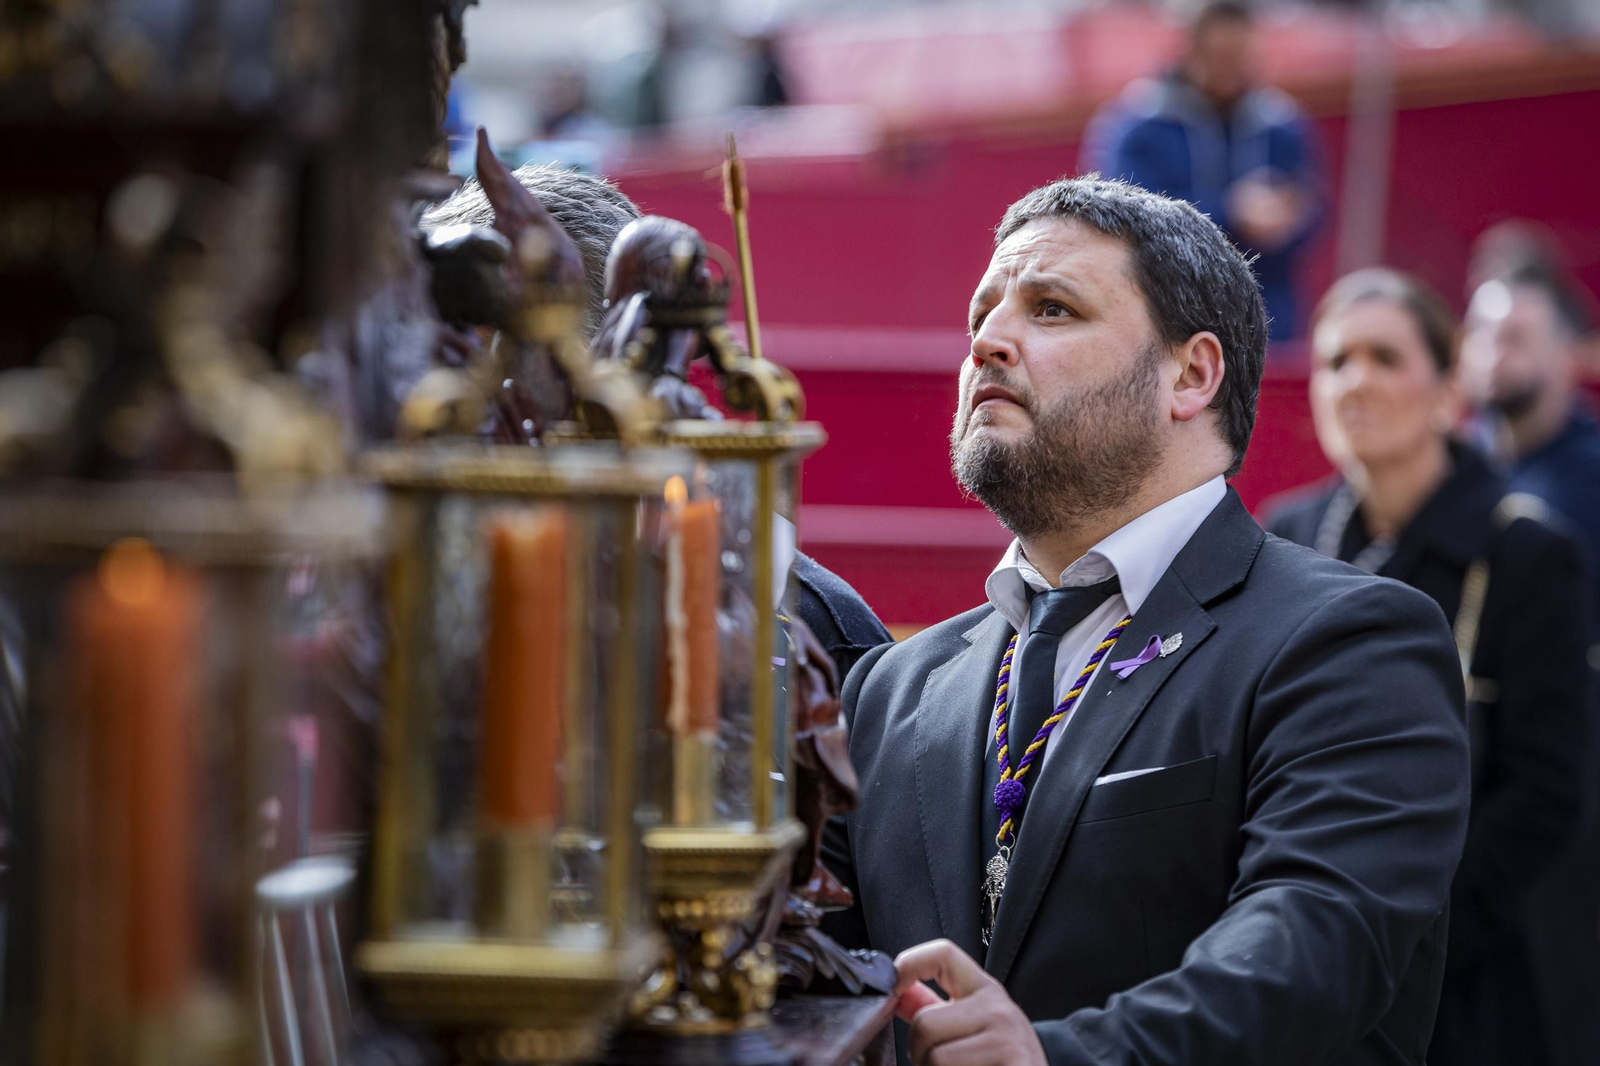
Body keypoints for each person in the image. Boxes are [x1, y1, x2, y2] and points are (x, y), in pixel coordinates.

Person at [821, 176, 1469, 1066]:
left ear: (1191, 375)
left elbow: (1309, 954)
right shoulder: (891, 686)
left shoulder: (1350, 643)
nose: (987, 340)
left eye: (1051, 309)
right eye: (982, 313)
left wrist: (1051, 1058)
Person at [1263, 268, 1591, 1066]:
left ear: (1448, 389)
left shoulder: (1528, 553)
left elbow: (1547, 793)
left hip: (1465, 979)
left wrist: (1409, 927)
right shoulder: (1282, 537)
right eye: (1336, 361)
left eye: (1385, 357)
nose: (1355, 381)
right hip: (1296, 956)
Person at [1461, 254, 1600, 1066]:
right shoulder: (1455, 468)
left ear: (1571, 352)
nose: (1491, 351)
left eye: (1515, 335)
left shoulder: (1588, 480)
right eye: (1480, 331)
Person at [1080, 1, 1320, 340]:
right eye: (1220, 56)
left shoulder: (1282, 125)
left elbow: (1315, 212)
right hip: (1170, 316)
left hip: (1268, 316)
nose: (1231, 70)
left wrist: (1287, 221)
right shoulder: (1138, 126)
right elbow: (1124, 222)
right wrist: (1232, 213)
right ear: (1188, 49)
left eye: (1240, 57)